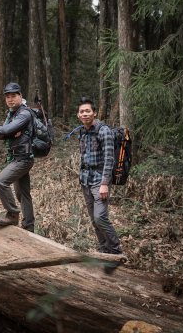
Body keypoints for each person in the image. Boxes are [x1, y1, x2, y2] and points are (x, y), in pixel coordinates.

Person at [76, 97, 122, 254]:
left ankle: (116, 250)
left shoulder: (104, 131)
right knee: (94, 220)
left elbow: (109, 159)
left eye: (88, 111)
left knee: (100, 217)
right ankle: (104, 249)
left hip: (99, 181)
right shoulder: (82, 131)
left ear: (94, 113)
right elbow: (84, 156)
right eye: (82, 112)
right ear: (78, 115)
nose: (85, 114)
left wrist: (104, 183)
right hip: (85, 181)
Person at [0, 82, 35, 231]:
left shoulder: (24, 113)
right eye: (7, 97)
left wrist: (1, 130)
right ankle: (29, 226)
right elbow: (4, 134)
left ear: (20, 96)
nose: (10, 99)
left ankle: (12, 214)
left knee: (1, 182)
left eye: (13, 96)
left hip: (23, 158)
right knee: (22, 194)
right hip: (16, 157)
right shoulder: (12, 114)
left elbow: (6, 130)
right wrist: (6, 132)